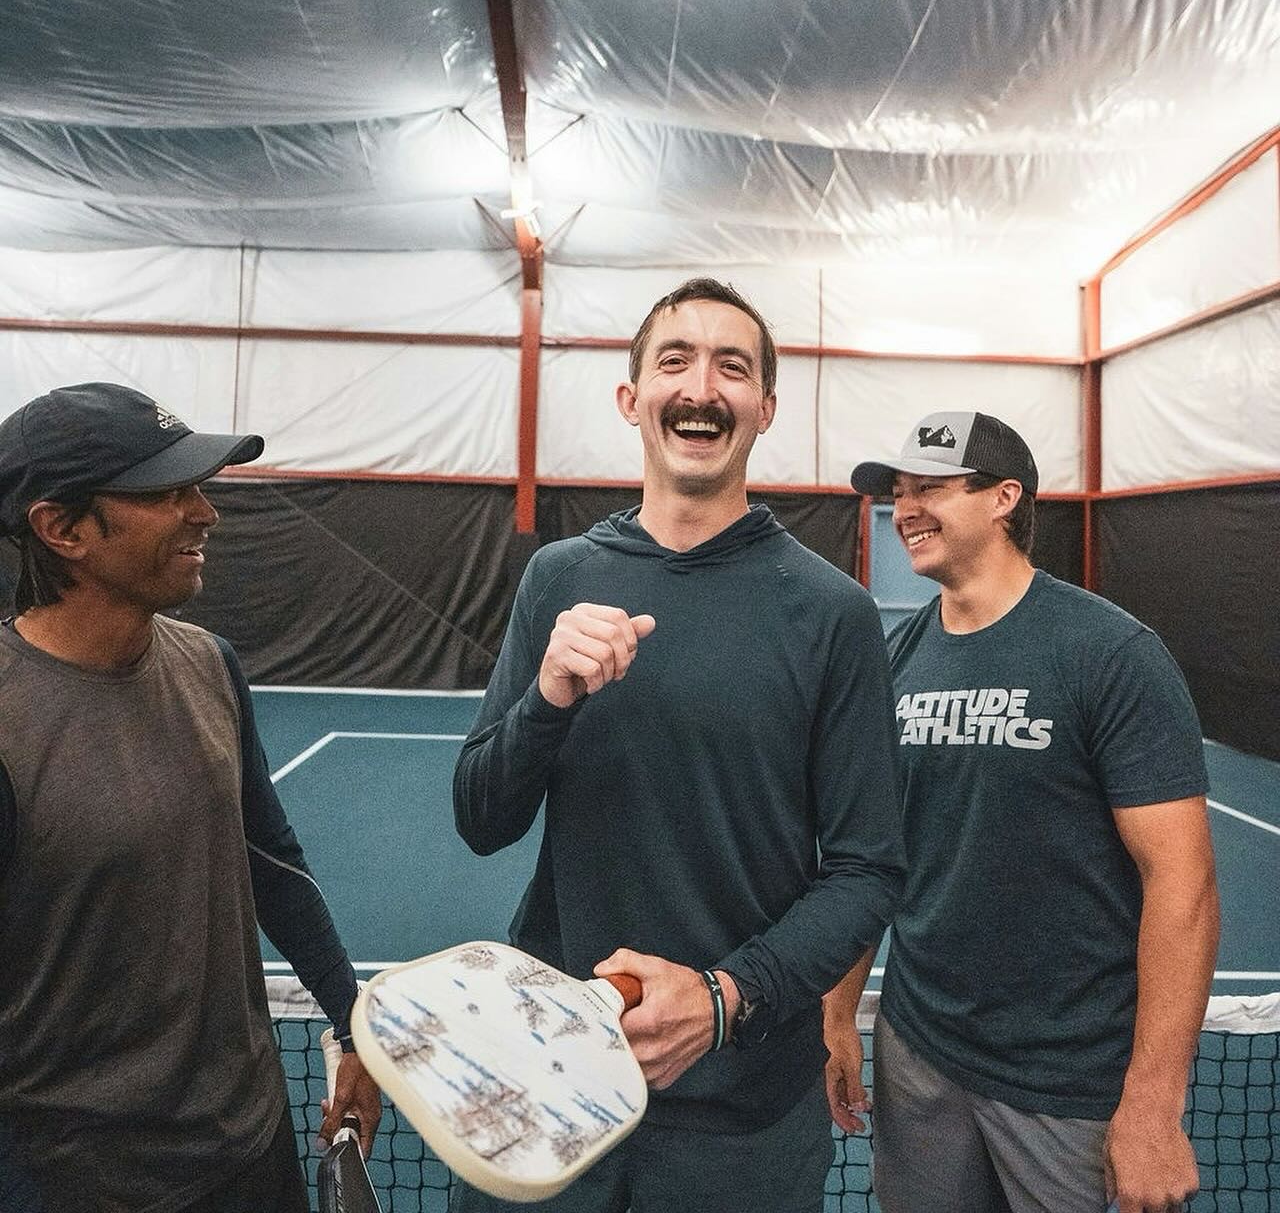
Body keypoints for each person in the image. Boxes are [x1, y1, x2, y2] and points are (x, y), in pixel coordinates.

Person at [452, 276, 905, 1213]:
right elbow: (481, 818)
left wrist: (724, 997)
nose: (702, 387)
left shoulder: (832, 613)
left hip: (744, 1114)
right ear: (632, 400)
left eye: (732, 368)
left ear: (764, 409)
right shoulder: (558, 579)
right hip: (551, 1072)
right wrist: (546, 698)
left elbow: (868, 869)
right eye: (675, 361)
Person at [0, 382, 381, 1213]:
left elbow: (273, 863)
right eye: (165, 493)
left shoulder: (210, 665)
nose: (204, 512)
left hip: (250, 1148)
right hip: (75, 1181)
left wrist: (359, 1024)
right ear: (62, 529)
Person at [825, 411, 1219, 1213]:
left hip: (1065, 1082)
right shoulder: (896, 660)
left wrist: (1151, 1103)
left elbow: (1183, 882)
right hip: (920, 1054)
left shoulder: (1110, 655)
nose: (905, 509)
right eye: (898, 492)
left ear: (1006, 497)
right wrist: (837, 1012)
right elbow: (874, 855)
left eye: (930, 488)